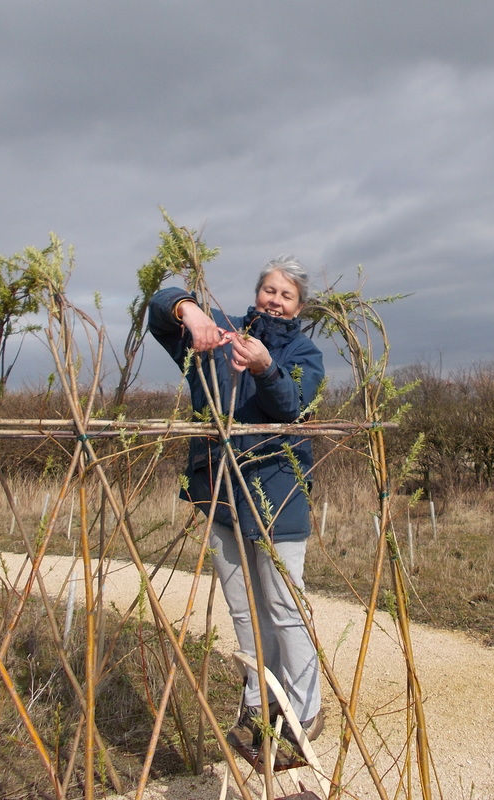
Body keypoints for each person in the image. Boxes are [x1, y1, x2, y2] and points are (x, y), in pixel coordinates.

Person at [149, 256, 325, 764]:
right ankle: (260, 700)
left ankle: (304, 711)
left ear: (299, 307)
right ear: (256, 293)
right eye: (269, 290)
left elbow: (291, 406)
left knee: (285, 607)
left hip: (278, 493)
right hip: (220, 490)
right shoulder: (219, 335)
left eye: (286, 295)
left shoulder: (304, 353)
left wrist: (265, 368)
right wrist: (189, 312)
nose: (275, 300)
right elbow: (156, 309)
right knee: (244, 607)